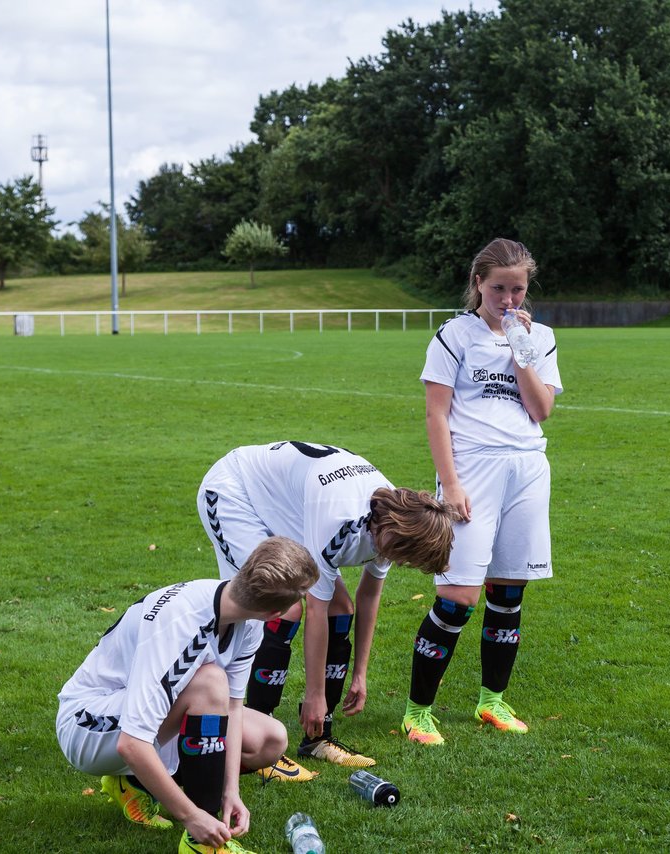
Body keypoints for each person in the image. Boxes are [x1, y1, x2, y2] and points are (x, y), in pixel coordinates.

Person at [198, 440, 458, 774]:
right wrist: (313, 694)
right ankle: (256, 742)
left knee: (342, 608)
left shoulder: (399, 518)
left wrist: (360, 673)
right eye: (407, 559)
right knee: (281, 608)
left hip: (286, 504)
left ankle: (318, 738)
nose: (402, 564)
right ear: (397, 540)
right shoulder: (344, 521)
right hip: (235, 492)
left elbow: (367, 597)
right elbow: (314, 610)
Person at [56, 536, 319, 854]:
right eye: (301, 597)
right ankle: (201, 845)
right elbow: (132, 742)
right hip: (87, 724)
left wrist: (230, 789)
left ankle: (134, 785)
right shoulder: (181, 623)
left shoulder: (245, 618)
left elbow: (234, 708)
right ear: (274, 611)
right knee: (209, 683)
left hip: (141, 714)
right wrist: (191, 816)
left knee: (270, 739)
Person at [402, 237, 564, 746]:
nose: (510, 300)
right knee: (457, 598)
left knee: (509, 592)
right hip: (471, 468)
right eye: (499, 288)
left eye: (518, 289)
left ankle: (491, 701)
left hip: (527, 468)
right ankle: (416, 712)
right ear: (479, 284)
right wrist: (450, 484)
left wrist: (522, 355)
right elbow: (436, 413)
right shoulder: (455, 335)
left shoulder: (541, 337)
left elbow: (542, 410)